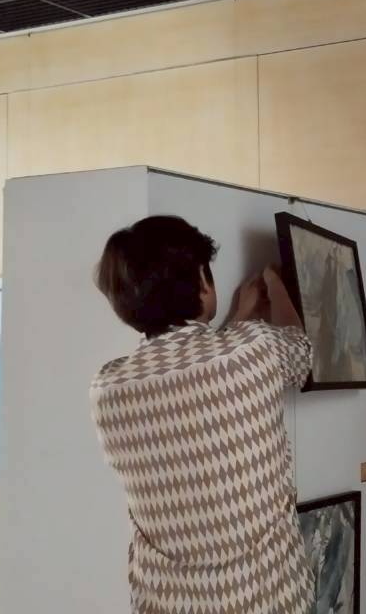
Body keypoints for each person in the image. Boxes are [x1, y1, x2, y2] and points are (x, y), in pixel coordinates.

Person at [91, 215, 315, 614]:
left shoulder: (107, 388)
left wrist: (235, 320)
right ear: (201, 280)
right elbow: (300, 351)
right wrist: (275, 283)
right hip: (269, 599)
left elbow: (196, 378)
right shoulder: (253, 348)